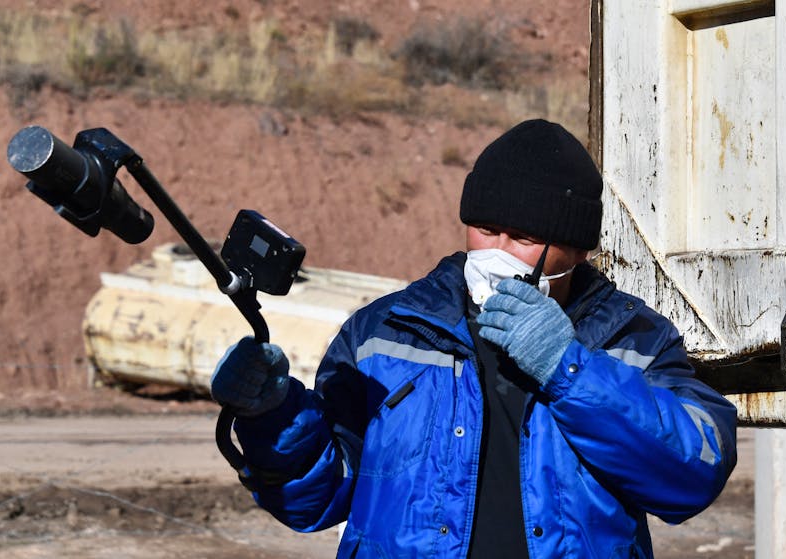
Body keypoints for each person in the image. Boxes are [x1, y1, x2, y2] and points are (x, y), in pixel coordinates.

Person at [210, 119, 737, 558]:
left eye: (525, 238)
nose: (498, 251)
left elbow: (693, 476)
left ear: (577, 250)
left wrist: (569, 369)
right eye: (485, 229)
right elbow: (316, 500)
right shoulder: (385, 334)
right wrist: (274, 417)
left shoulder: (634, 339)